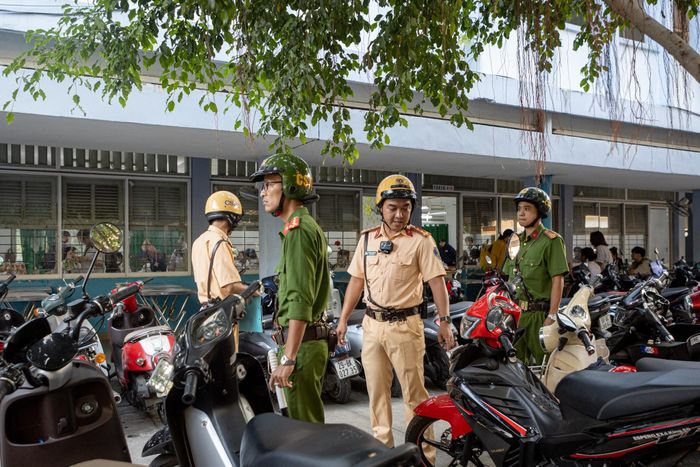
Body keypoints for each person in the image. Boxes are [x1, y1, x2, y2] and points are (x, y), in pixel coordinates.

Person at [336, 174, 456, 451]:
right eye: (393, 207)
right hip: (371, 326)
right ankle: (384, 452)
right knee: (377, 395)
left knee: (415, 396)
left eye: (405, 207)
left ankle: (422, 455)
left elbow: (437, 283)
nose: (399, 214)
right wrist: (342, 319)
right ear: (381, 208)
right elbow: (356, 281)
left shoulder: (421, 241)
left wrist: (445, 321)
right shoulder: (367, 240)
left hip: (406, 326)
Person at [250, 153, 330, 424]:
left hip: (302, 347)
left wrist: (289, 358)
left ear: (289, 186)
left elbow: (299, 299)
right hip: (303, 344)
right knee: (302, 426)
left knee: (305, 431)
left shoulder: (298, 231)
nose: (263, 193)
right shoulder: (301, 228)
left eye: (269, 185)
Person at [503, 187, 568, 365]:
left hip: (540, 315)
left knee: (545, 366)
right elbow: (508, 280)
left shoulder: (551, 241)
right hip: (517, 314)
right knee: (513, 365)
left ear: (539, 212)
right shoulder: (515, 241)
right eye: (519, 208)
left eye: (527, 209)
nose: (521, 213)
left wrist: (552, 315)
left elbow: (558, 280)